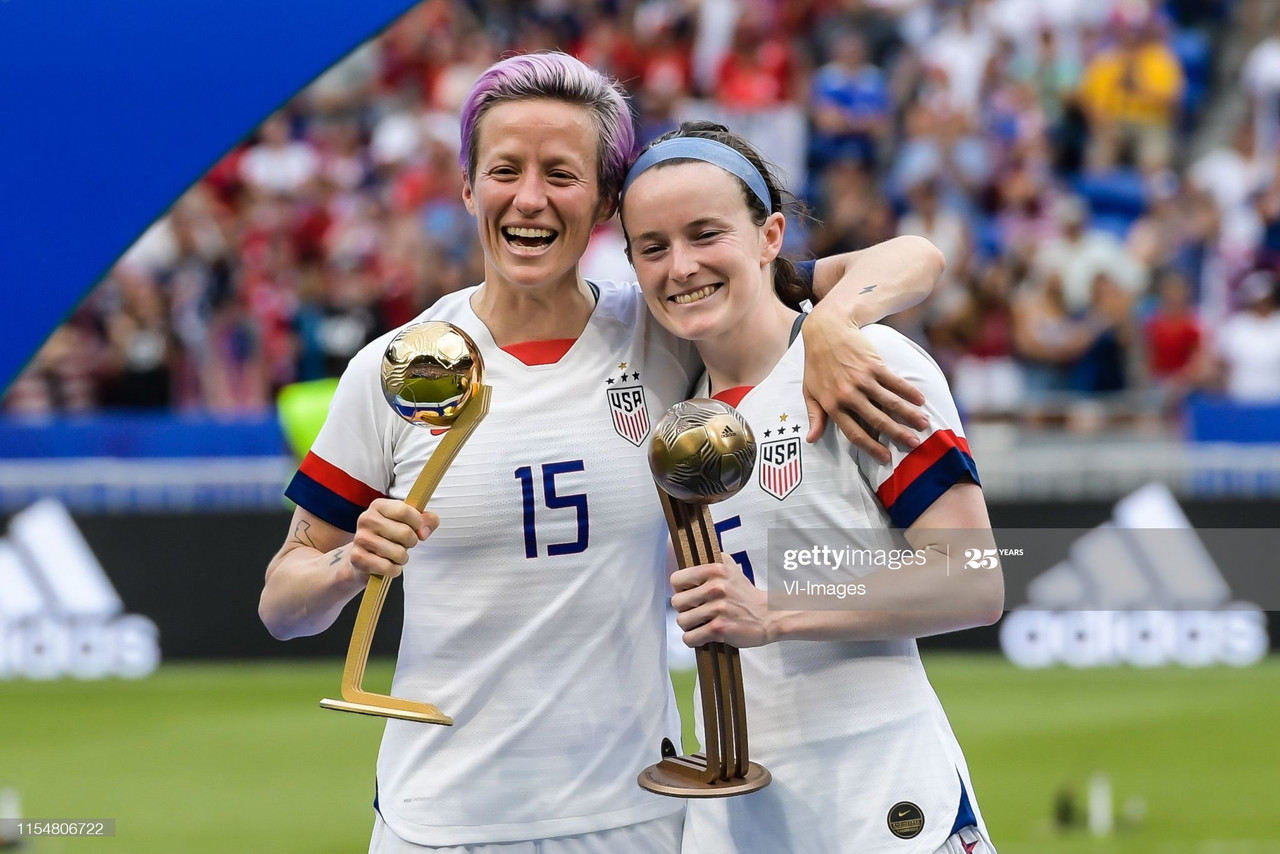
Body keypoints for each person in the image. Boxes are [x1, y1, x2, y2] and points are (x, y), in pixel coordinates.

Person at [259, 52, 945, 854]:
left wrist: (830, 321)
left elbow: (912, 260)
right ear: (466, 187)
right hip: (438, 821)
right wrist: (346, 569)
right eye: (505, 170)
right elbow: (282, 601)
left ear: (605, 203)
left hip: (637, 819)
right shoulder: (400, 368)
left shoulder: (667, 321)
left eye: (562, 173)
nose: (530, 199)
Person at [619, 121, 1003, 853]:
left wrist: (776, 610)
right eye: (653, 247)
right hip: (734, 813)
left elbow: (973, 579)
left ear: (769, 236)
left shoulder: (864, 361)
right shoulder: (675, 410)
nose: (681, 267)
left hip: (884, 796)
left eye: (706, 234)